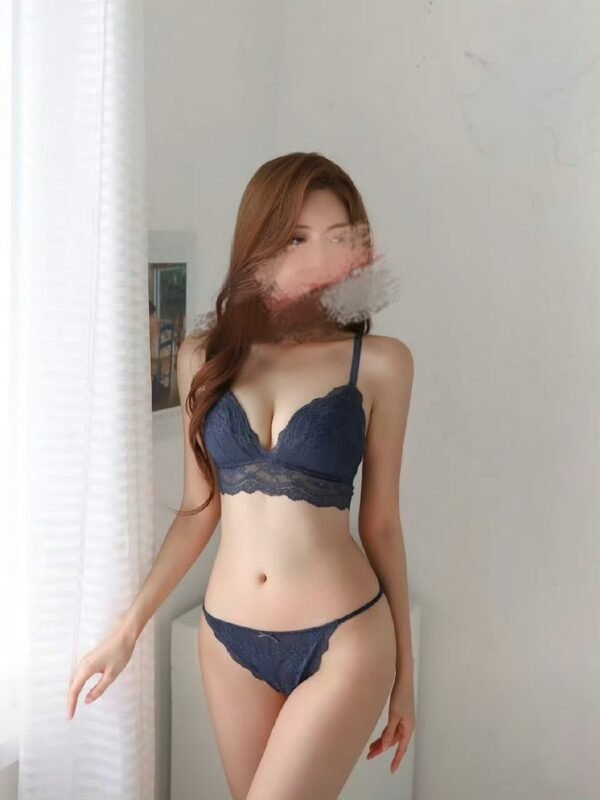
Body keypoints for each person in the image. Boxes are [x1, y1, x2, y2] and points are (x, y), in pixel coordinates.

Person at [67, 152, 416, 800]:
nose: (320, 258)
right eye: (297, 238)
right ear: (259, 245)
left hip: (343, 636)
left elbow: (383, 526)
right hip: (228, 642)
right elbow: (199, 511)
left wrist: (406, 674)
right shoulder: (203, 357)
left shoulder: (380, 364)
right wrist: (127, 630)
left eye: (338, 239)